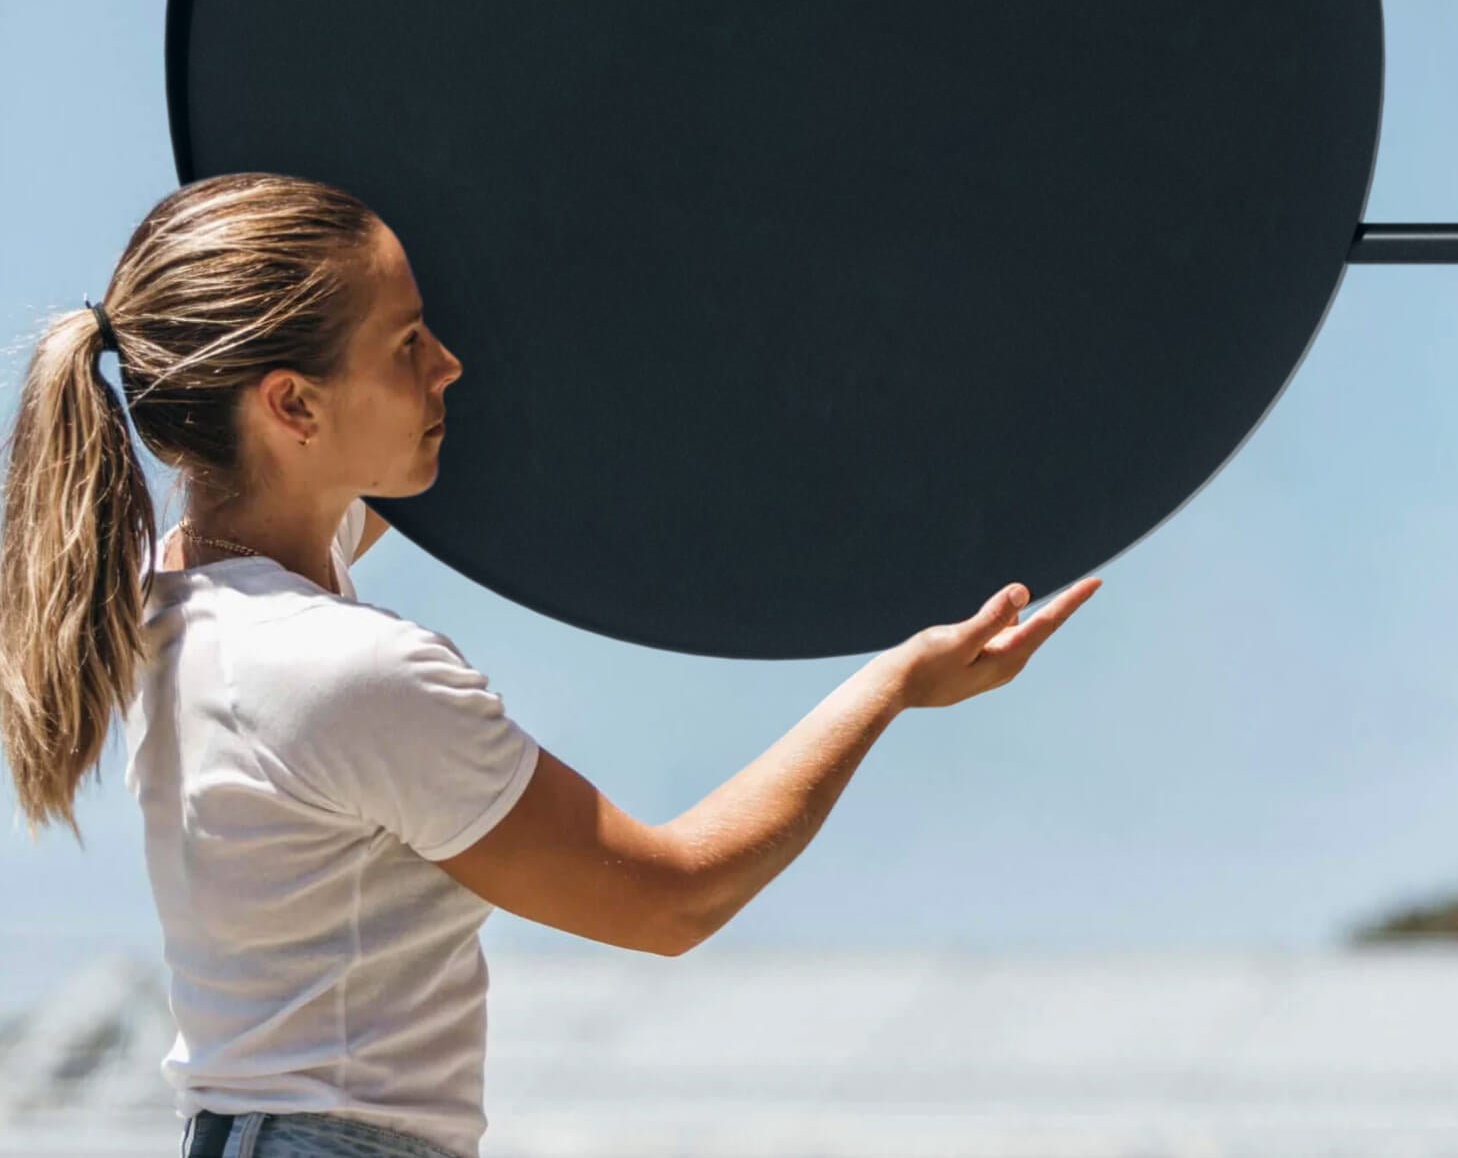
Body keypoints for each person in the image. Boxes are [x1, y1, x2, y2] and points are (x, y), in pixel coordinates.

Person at [0, 170, 1101, 1158]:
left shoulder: (182, 596)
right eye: (408, 344)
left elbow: (362, 501)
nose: (449, 365)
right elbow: (673, 898)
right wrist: (893, 683)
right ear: (291, 404)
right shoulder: (338, 672)